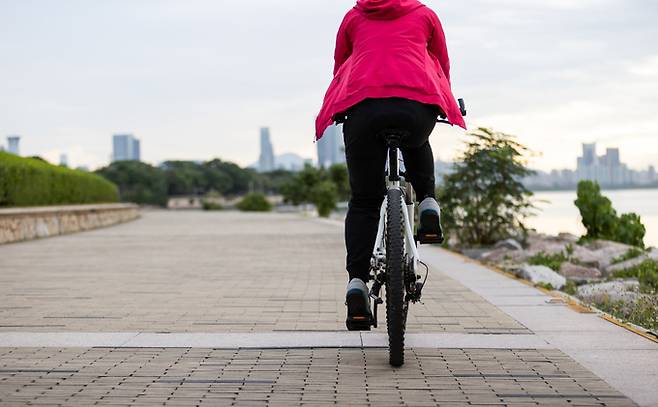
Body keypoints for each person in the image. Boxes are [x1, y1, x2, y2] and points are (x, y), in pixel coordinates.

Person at [315, 0, 467, 329]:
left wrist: (343, 106)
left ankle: (357, 284)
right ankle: (428, 204)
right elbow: (441, 64)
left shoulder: (354, 17)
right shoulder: (425, 15)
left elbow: (342, 67)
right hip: (416, 105)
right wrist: (444, 99)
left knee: (365, 200)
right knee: (417, 139)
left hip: (364, 108)